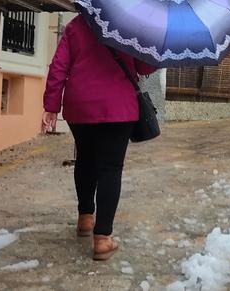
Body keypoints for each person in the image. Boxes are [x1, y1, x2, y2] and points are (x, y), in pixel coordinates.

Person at [42, 16, 155, 262]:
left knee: (85, 159)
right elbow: (145, 67)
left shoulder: (75, 26)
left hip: (80, 105)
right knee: (110, 168)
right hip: (119, 107)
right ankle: (102, 239)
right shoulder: (128, 23)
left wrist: (51, 105)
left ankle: (85, 218)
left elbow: (58, 67)